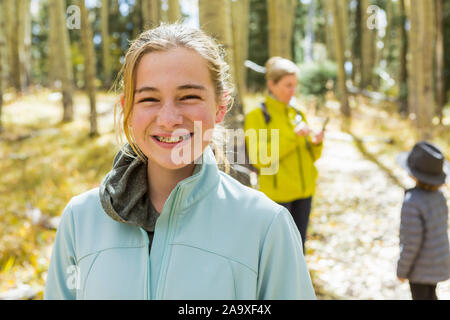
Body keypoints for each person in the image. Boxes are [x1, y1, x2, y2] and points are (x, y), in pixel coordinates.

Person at [44, 24, 316, 300]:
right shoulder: (80, 220)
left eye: (188, 97)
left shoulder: (267, 226)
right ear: (127, 109)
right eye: (149, 98)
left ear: (221, 107)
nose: (168, 118)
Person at [244, 56, 324, 251]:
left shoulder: (297, 112)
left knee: (299, 248)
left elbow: (311, 156)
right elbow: (260, 159)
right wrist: (293, 136)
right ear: (272, 84)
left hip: (304, 193)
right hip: (278, 197)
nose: (293, 91)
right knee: (281, 252)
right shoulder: (257, 116)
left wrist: (316, 144)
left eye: (295, 85)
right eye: (288, 85)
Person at [396, 141, 450, 300]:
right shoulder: (439, 197)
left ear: (413, 173)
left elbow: (411, 243)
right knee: (431, 295)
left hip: (419, 270)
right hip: (437, 263)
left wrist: (402, 270)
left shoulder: (412, 201)